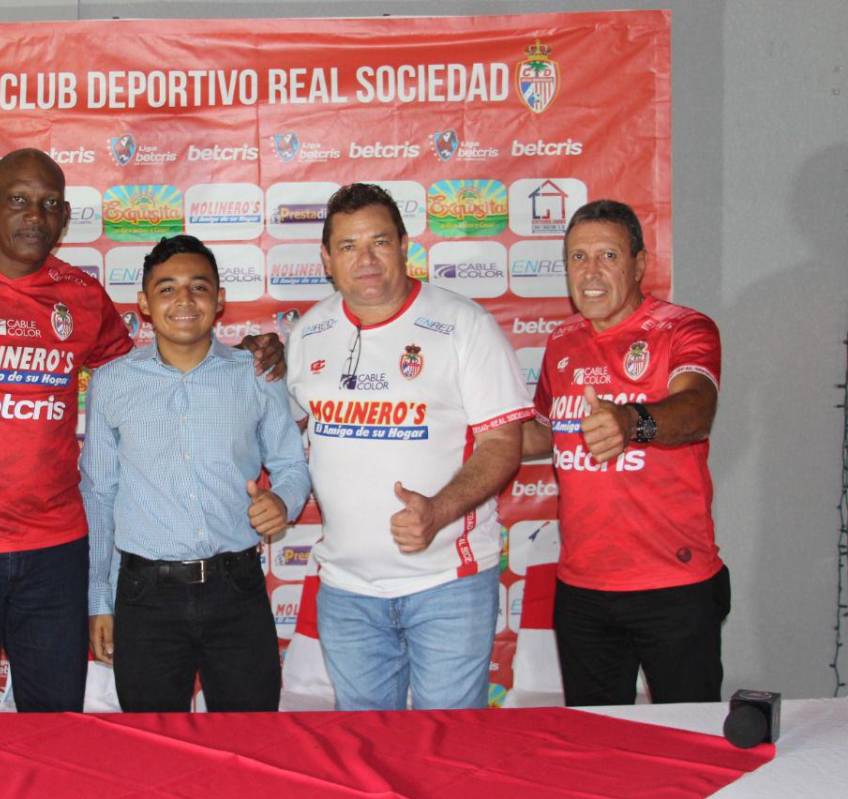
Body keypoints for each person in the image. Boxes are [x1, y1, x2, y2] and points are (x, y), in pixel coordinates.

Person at [0, 149, 285, 712]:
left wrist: (242, 354)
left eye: (50, 204)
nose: (35, 215)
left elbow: (148, 371)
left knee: (55, 727)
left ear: (63, 220)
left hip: (54, 551)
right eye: (19, 201)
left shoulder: (80, 295)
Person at [285, 183, 531, 710]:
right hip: (347, 592)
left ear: (403, 245)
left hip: (448, 585)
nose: (366, 260)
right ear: (327, 259)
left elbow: (502, 443)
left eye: (379, 242)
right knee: (368, 756)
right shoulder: (308, 333)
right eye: (348, 247)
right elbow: (285, 438)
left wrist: (438, 511)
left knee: (447, 753)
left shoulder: (464, 325)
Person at [82, 235, 310, 712]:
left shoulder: (256, 373)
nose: (184, 300)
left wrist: (282, 501)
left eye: (199, 287)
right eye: (166, 289)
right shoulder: (111, 384)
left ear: (220, 299)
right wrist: (99, 600)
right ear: (144, 303)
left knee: (251, 748)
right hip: (145, 598)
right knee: (155, 755)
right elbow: (99, 495)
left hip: (236, 590)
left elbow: (290, 464)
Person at [522, 199, 728, 706]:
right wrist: (458, 425)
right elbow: (541, 434)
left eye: (607, 256)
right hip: (583, 589)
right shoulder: (561, 341)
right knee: (597, 747)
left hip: (673, 586)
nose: (590, 272)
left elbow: (696, 410)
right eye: (577, 258)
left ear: (638, 264)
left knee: (688, 744)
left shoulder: (684, 328)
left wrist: (631, 422)